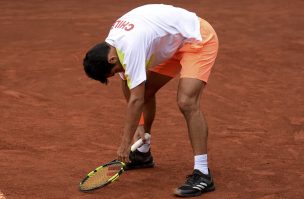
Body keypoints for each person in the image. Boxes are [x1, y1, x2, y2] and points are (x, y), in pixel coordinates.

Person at [83, 4, 218, 197]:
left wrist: (124, 144)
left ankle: (203, 174)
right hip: (172, 42)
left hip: (197, 38)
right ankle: (143, 153)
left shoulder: (130, 45)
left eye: (115, 72)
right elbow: (131, 87)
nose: (119, 73)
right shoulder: (112, 47)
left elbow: (135, 101)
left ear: (112, 60)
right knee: (144, 91)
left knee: (186, 102)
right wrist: (139, 126)